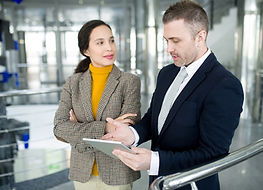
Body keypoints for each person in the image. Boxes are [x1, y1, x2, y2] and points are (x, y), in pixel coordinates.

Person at [102, 1, 244, 189]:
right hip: (158, 183)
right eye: (166, 40)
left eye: (176, 41)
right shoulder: (167, 73)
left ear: (200, 37)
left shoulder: (224, 85)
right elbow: (155, 118)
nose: (169, 48)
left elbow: (213, 153)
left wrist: (155, 160)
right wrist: (132, 134)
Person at [53, 20, 141, 190]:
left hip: (117, 171)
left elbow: (125, 132)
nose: (109, 48)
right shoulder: (74, 82)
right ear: (86, 50)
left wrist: (78, 127)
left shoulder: (129, 82)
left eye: (112, 40)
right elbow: (59, 128)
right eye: (100, 43)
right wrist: (106, 127)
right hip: (83, 172)